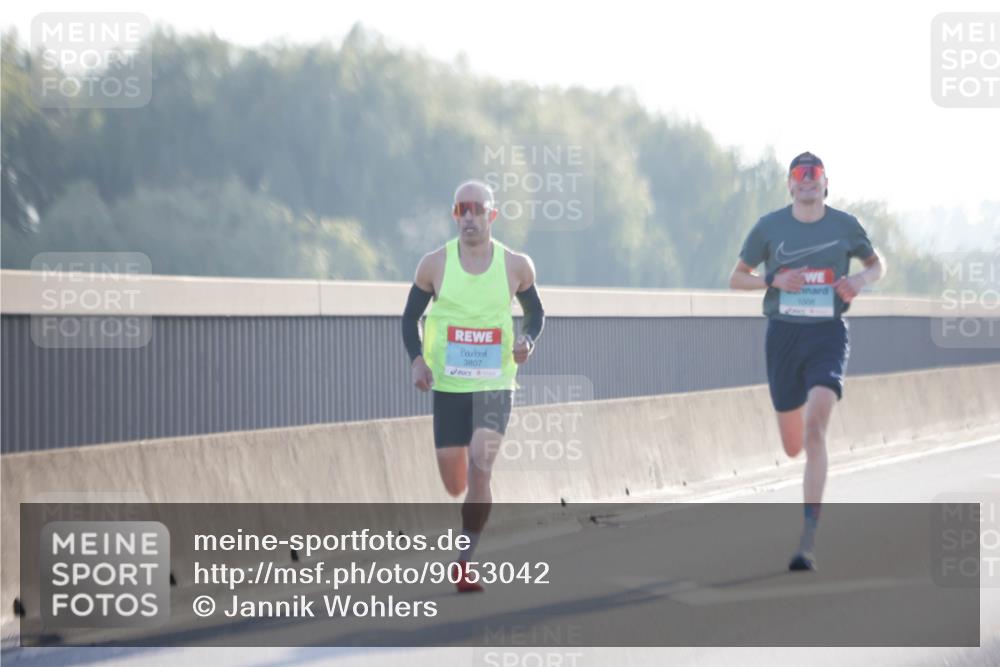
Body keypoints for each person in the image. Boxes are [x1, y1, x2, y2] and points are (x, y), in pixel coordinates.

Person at [729, 152, 885, 571]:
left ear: (825, 183)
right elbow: (736, 277)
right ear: (790, 184)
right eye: (800, 174)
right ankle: (796, 439)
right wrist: (772, 279)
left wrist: (859, 279)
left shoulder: (845, 226)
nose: (808, 180)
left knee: (816, 430)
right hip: (783, 336)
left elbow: (876, 265)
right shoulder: (769, 227)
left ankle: (808, 539)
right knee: (792, 445)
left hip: (827, 333)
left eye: (815, 174)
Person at [401, 179, 545, 592]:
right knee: (454, 482)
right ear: (454, 215)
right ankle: (463, 483)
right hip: (448, 385)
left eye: (477, 209)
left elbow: (536, 314)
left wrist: (527, 341)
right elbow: (409, 318)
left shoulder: (515, 265)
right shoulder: (434, 265)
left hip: (495, 382)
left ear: (492, 215)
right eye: (462, 209)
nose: (469, 217)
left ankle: (464, 561)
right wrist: (417, 361)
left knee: (481, 468)